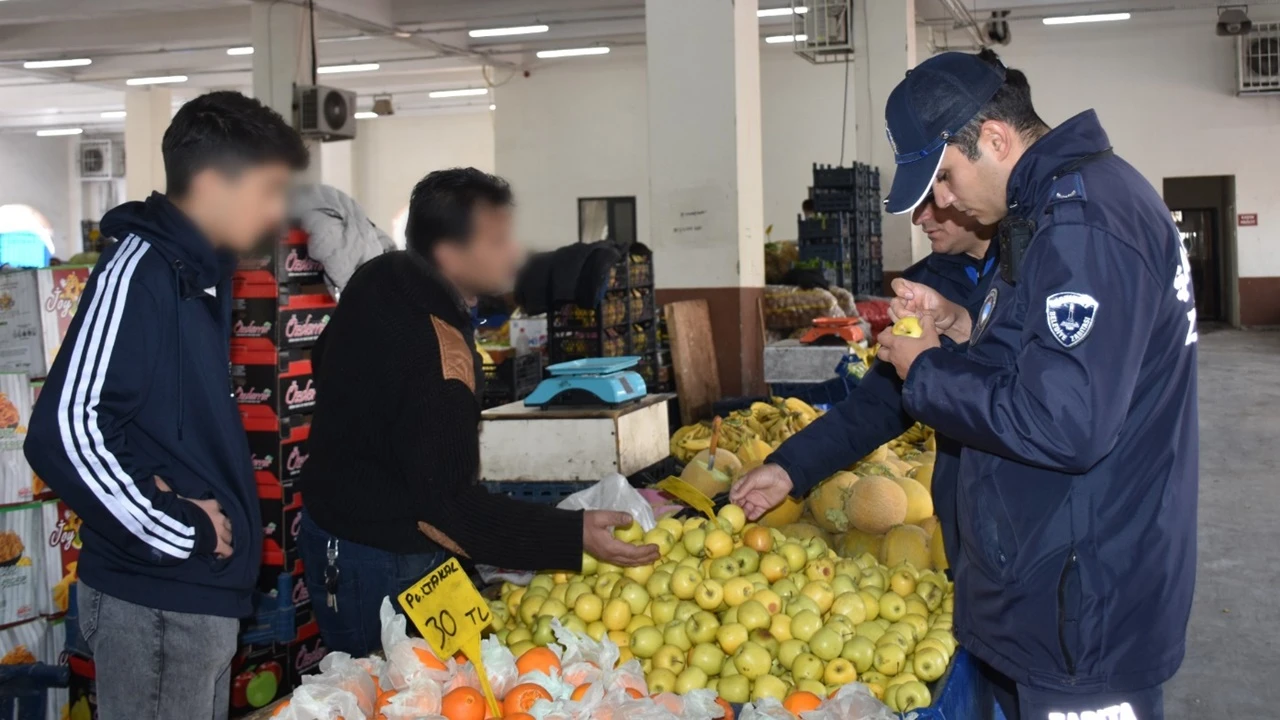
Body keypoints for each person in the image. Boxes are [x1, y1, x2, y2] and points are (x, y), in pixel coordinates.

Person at [870, 52, 1196, 720]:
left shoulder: (1086, 222)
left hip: (1084, 607)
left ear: (994, 138)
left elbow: (1065, 423)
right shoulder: (1049, 212)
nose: (944, 203)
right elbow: (1049, 361)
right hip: (1053, 583)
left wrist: (927, 372)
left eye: (946, 179)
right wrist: (961, 330)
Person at [24, 91, 309, 720]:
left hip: (189, 602)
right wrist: (184, 528)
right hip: (156, 606)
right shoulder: (141, 272)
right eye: (267, 189)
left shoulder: (196, 273)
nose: (276, 210)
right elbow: (63, 430)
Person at [299, 168, 660, 657]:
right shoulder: (440, 356)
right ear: (450, 252)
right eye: (497, 240)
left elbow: (324, 360)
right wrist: (572, 533)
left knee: (443, 685)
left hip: (352, 526)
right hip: (377, 555)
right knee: (393, 694)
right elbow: (446, 508)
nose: (513, 252)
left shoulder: (380, 274)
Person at [731, 195, 995, 567]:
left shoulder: (1036, 273)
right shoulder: (922, 286)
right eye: (915, 204)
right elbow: (876, 405)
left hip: (1035, 522)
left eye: (933, 199)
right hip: (961, 515)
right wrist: (789, 468)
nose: (919, 217)